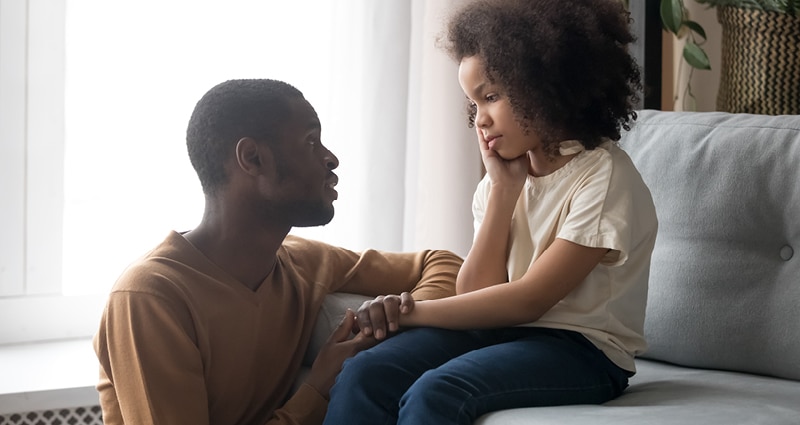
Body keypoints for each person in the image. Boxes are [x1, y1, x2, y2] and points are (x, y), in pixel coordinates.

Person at [323, 0, 659, 423]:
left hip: (582, 350)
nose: (479, 120)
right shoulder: (500, 183)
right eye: (473, 104)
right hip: (502, 334)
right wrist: (503, 191)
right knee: (365, 372)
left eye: (491, 97)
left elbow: (529, 300)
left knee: (438, 392)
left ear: (544, 86)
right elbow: (476, 292)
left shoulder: (603, 177)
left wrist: (410, 313)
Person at [92, 78, 462, 425]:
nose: (331, 159)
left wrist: (403, 321)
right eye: (311, 142)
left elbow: (442, 263)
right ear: (252, 158)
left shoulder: (303, 262)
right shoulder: (150, 297)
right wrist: (317, 390)